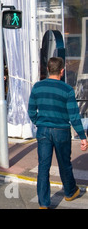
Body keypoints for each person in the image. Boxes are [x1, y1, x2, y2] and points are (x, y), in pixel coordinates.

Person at [27, 57, 87, 209]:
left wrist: (38, 122)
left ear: (48, 69)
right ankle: (70, 192)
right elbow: (74, 116)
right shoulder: (67, 89)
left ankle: (44, 203)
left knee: (43, 166)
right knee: (64, 163)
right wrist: (82, 136)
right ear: (62, 71)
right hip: (61, 130)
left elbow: (31, 111)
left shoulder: (37, 87)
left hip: (43, 130)